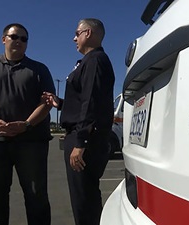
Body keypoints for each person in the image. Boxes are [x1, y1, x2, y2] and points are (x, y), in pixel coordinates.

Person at [0, 23, 55, 225]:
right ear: (3, 39)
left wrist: (27, 124)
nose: (19, 41)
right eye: (15, 36)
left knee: (37, 196)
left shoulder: (39, 69)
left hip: (31, 141)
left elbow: (47, 102)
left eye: (24, 39)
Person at [43, 18, 115, 225]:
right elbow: (83, 101)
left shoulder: (95, 60)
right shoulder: (89, 62)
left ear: (88, 33)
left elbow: (91, 102)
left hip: (86, 140)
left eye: (77, 33)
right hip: (82, 136)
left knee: (84, 199)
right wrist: (61, 103)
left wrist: (80, 142)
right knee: (85, 197)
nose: (74, 38)